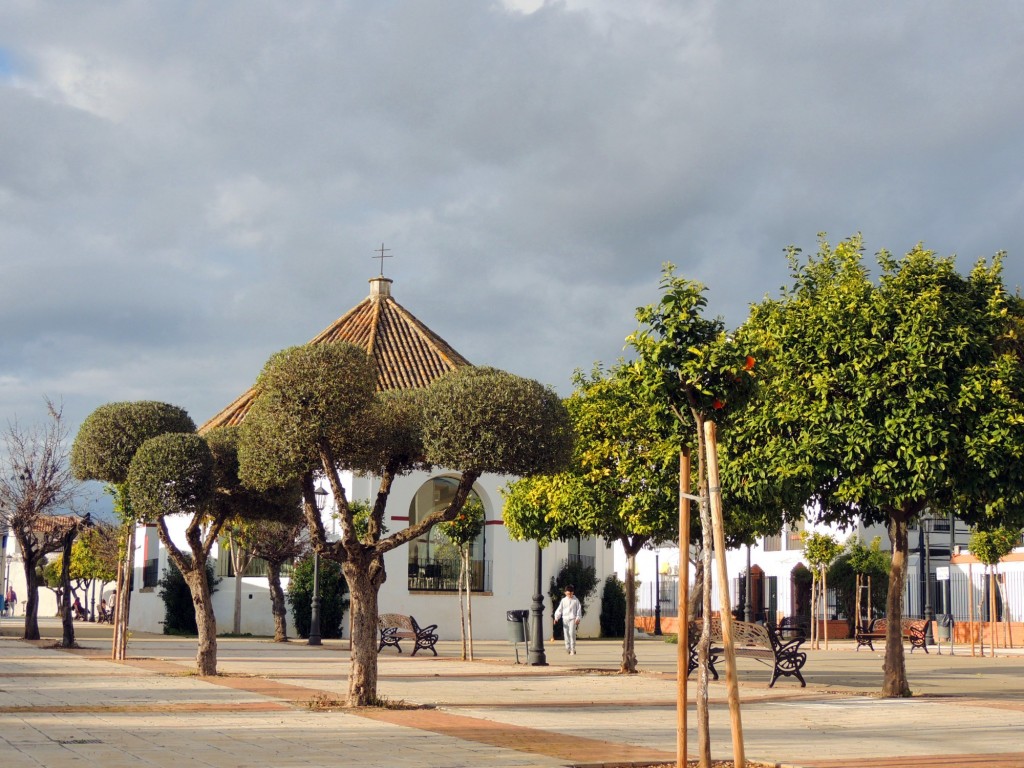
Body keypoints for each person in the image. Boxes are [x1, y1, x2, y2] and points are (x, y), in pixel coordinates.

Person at [553, 584, 583, 655]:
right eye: (568, 593)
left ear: (573, 592)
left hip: (573, 618)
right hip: (565, 619)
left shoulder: (576, 600)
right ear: (565, 593)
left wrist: (578, 618)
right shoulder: (563, 600)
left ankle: (573, 648)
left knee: (572, 633)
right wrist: (556, 618)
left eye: (571, 593)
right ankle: (567, 648)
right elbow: (559, 610)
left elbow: (579, 610)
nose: (570, 595)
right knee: (566, 633)